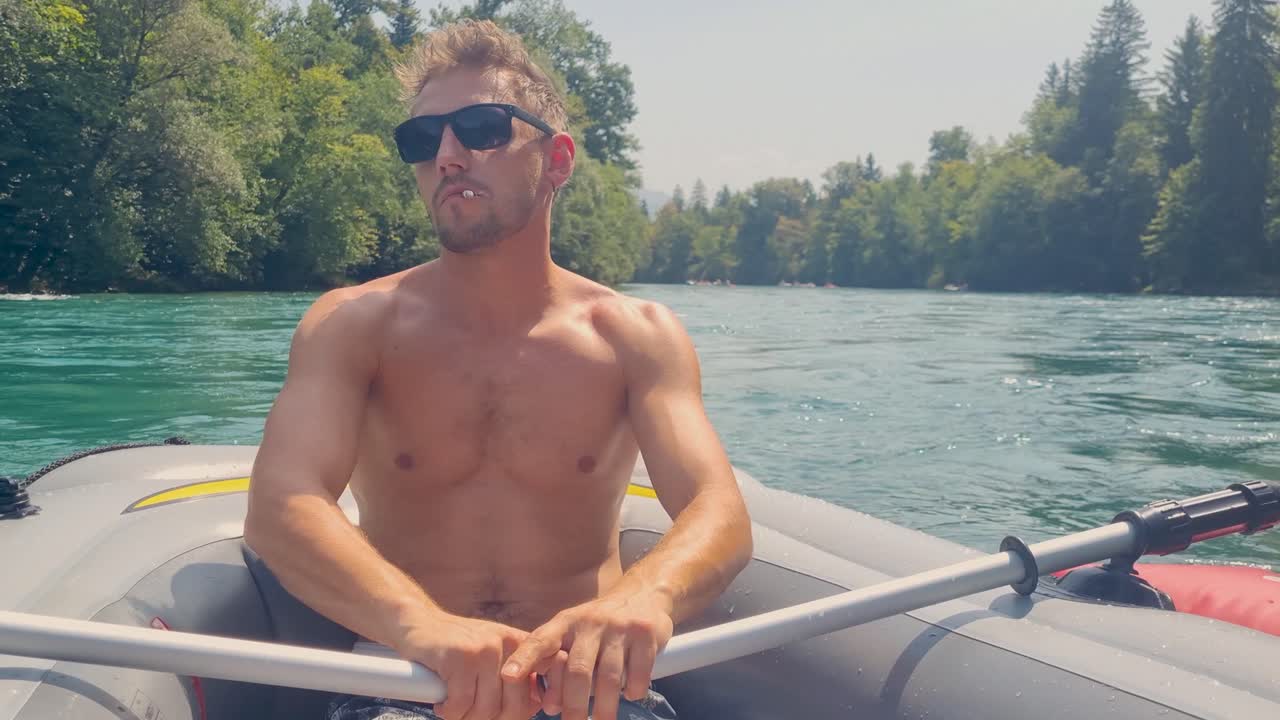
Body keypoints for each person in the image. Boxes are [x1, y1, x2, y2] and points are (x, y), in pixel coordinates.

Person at [243, 18, 754, 720]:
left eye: (481, 128)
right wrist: (422, 627)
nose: (448, 155)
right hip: (408, 685)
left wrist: (646, 596)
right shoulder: (353, 326)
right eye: (423, 140)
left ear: (558, 161)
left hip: (585, 691)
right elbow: (281, 506)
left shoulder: (635, 336)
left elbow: (717, 511)